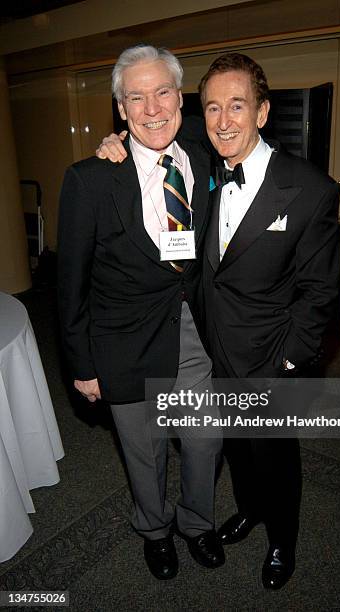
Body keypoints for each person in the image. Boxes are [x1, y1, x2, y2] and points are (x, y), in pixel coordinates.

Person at [96, 52, 340, 590]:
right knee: (233, 447)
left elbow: (320, 292)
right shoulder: (200, 166)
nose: (223, 120)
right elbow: (149, 143)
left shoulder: (309, 189)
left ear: (262, 112)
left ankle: (282, 540)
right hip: (209, 352)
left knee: (275, 456)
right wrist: (115, 143)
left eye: (237, 106)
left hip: (269, 359)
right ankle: (250, 510)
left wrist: (288, 361)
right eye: (211, 108)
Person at [57, 44, 224, 582]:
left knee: (203, 442)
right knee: (145, 452)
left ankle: (197, 523)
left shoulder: (203, 150)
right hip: (124, 343)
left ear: (181, 97)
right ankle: (155, 530)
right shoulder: (91, 178)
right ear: (121, 110)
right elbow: (71, 283)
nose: (152, 108)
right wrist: (82, 364)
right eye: (136, 97)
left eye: (162, 92)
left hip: (196, 332)